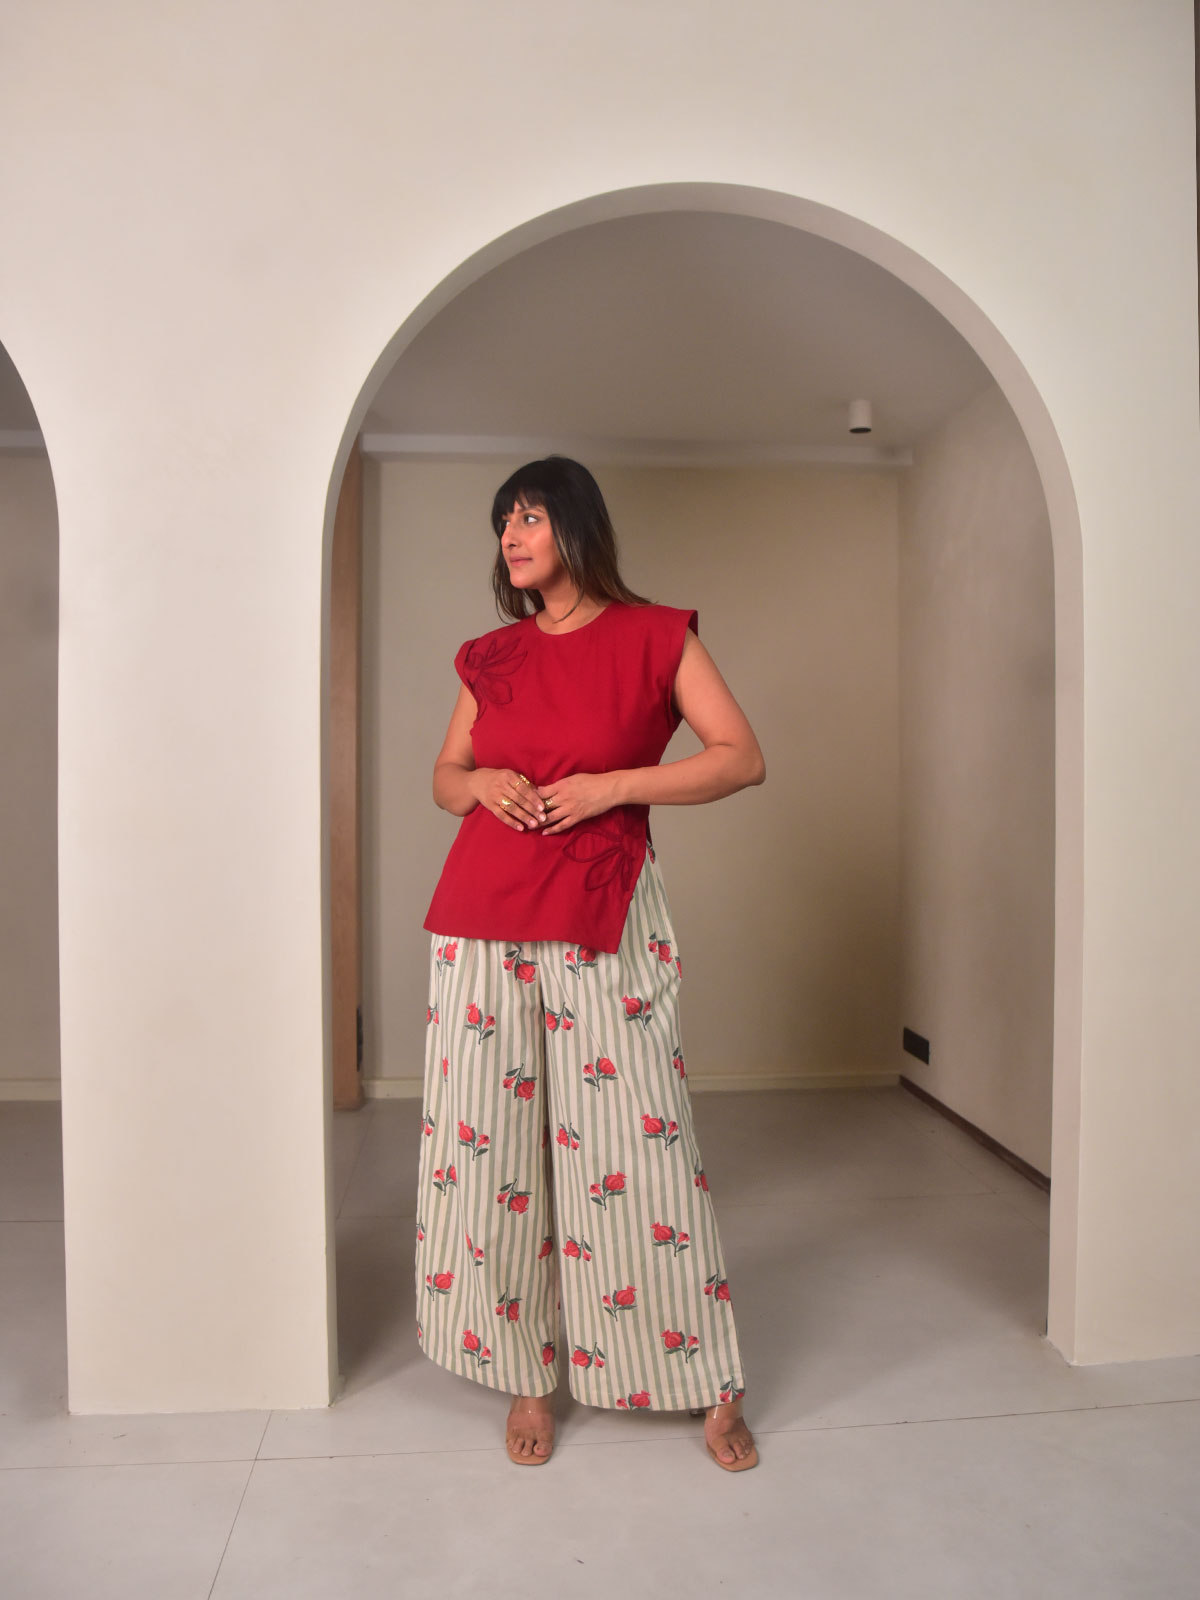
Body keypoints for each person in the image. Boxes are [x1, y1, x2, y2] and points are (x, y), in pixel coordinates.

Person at [415, 455, 765, 1470]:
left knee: (636, 1147)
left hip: (601, 912)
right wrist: (482, 781)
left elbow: (740, 757)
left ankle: (703, 1379)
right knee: (491, 1153)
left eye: (530, 516)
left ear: (576, 525)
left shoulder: (658, 636)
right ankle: (526, 1373)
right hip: (480, 916)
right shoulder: (489, 655)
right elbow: (444, 777)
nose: (511, 535)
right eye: (503, 521)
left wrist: (614, 785)